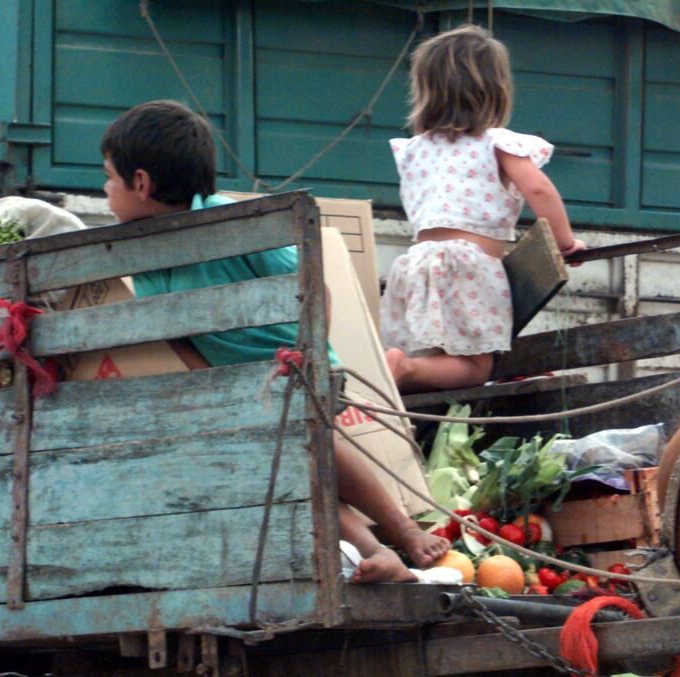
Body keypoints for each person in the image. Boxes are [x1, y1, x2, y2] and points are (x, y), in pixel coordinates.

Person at [100, 100, 448, 583]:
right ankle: (376, 553)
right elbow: (175, 333)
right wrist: (216, 388)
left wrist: (308, 354)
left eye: (109, 179)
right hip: (242, 389)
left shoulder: (236, 225)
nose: (105, 191)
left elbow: (314, 285)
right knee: (292, 468)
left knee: (305, 438)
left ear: (141, 183)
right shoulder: (145, 253)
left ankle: (402, 531)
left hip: (300, 369)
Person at [381, 25, 586, 393]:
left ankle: (404, 368)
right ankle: (406, 368)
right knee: (476, 368)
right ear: (496, 90)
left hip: (414, 265)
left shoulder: (413, 150)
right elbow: (538, 188)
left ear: (426, 90)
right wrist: (564, 240)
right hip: (467, 267)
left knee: (437, 354)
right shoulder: (497, 144)